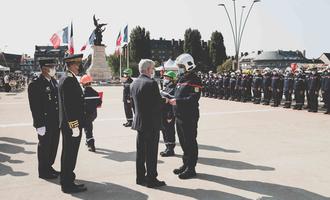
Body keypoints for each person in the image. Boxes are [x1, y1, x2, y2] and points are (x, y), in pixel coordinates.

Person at [130, 59, 166, 188]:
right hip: (151, 124)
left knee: (141, 153)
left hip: (140, 123)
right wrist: (166, 101)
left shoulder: (133, 83)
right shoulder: (151, 83)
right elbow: (157, 105)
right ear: (148, 69)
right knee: (151, 153)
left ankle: (140, 177)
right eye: (153, 69)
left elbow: (133, 105)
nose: (153, 71)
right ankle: (151, 179)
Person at [168, 53, 202, 179]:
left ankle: (191, 168)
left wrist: (178, 102)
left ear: (188, 65)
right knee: (183, 142)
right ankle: (185, 164)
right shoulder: (181, 78)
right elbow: (176, 95)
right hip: (179, 115)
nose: (179, 68)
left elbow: (193, 98)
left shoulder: (194, 79)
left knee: (190, 142)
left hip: (189, 116)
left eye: (181, 66)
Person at [58, 54, 87, 193]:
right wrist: (74, 125)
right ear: (72, 65)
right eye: (77, 65)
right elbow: (69, 106)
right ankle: (67, 184)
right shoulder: (68, 80)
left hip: (70, 124)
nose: (79, 67)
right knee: (69, 154)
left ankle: (69, 178)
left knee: (69, 153)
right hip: (71, 125)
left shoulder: (68, 78)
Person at [28, 58, 60, 180]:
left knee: (53, 146)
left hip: (55, 121)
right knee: (44, 147)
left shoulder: (53, 81)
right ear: (44, 69)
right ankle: (43, 171)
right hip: (45, 123)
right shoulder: (36, 84)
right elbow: (35, 107)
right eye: (52, 67)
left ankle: (49, 167)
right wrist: (39, 124)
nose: (54, 69)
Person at [80, 74, 102, 152]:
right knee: (88, 127)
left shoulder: (82, 94)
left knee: (88, 129)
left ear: (84, 83)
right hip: (93, 114)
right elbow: (99, 103)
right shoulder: (96, 93)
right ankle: (88, 140)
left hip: (86, 115)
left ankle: (91, 144)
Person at [160, 71, 177, 157]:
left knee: (169, 131)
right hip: (163, 112)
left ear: (172, 79)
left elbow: (172, 103)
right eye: (165, 77)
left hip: (168, 114)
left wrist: (170, 115)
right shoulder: (166, 87)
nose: (165, 79)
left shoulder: (174, 89)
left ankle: (171, 149)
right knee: (164, 131)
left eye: (167, 77)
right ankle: (167, 147)